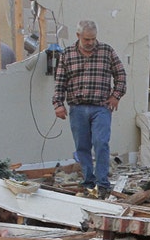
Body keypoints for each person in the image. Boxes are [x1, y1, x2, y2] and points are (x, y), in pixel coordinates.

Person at [52, 20, 127, 199]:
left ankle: (102, 183)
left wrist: (116, 95)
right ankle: (88, 181)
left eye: (93, 39)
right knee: (82, 146)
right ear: (78, 36)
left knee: (101, 143)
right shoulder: (68, 54)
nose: (90, 42)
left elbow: (121, 75)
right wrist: (58, 104)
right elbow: (60, 81)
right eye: (86, 39)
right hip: (77, 108)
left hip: (101, 107)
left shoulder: (106, 51)